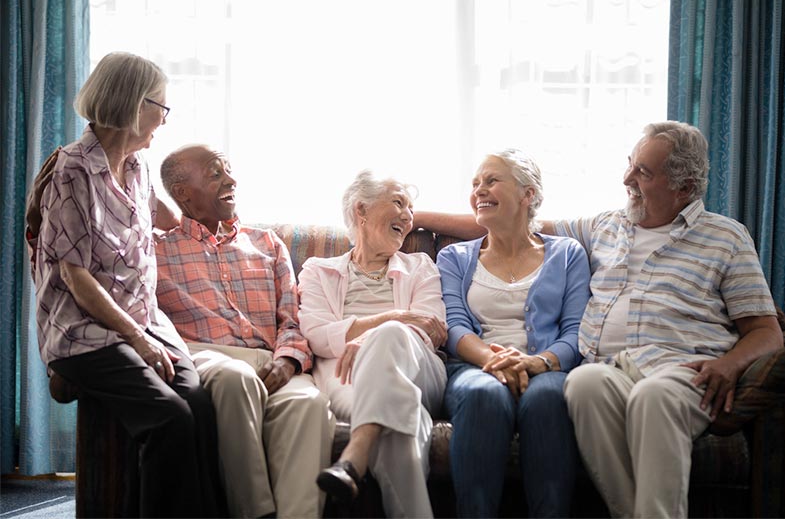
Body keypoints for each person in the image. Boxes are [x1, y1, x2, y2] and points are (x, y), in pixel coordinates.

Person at [415, 121, 784, 518]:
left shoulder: (725, 237)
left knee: (651, 397)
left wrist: (729, 365)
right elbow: (512, 225)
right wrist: (413, 215)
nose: (627, 178)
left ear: (685, 186)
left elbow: (766, 330)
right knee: (583, 384)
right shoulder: (607, 226)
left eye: (643, 172)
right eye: (630, 164)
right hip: (609, 368)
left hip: (680, 368)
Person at [32, 52, 224, 517]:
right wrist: (138, 340)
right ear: (136, 104)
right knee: (169, 419)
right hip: (85, 332)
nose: (164, 118)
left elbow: (168, 217)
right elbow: (76, 280)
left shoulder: (137, 167)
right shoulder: (72, 171)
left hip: (143, 320)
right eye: (162, 106)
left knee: (197, 402)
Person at [156, 144, 335, 519]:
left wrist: (287, 362)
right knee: (234, 378)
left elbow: (292, 320)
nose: (231, 180)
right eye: (215, 173)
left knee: (309, 404)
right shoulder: (153, 251)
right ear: (182, 193)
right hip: (205, 356)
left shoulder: (267, 243)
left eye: (229, 170)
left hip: (272, 361)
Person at [435, 149, 591, 518]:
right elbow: (454, 327)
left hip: (548, 367)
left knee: (548, 399)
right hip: (474, 367)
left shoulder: (568, 254)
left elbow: (576, 331)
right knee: (482, 394)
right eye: (475, 184)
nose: (479, 190)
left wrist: (537, 362)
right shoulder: (453, 257)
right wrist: (493, 359)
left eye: (491, 180)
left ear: (528, 194)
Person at [297, 171, 448, 518]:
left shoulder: (420, 266)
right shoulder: (318, 270)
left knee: (392, 336)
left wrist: (372, 335)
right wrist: (397, 316)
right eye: (398, 202)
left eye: (411, 208)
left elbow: (432, 330)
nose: (408, 215)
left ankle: (355, 455)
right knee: (402, 424)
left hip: (419, 371)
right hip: (345, 374)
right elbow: (318, 334)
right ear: (361, 210)